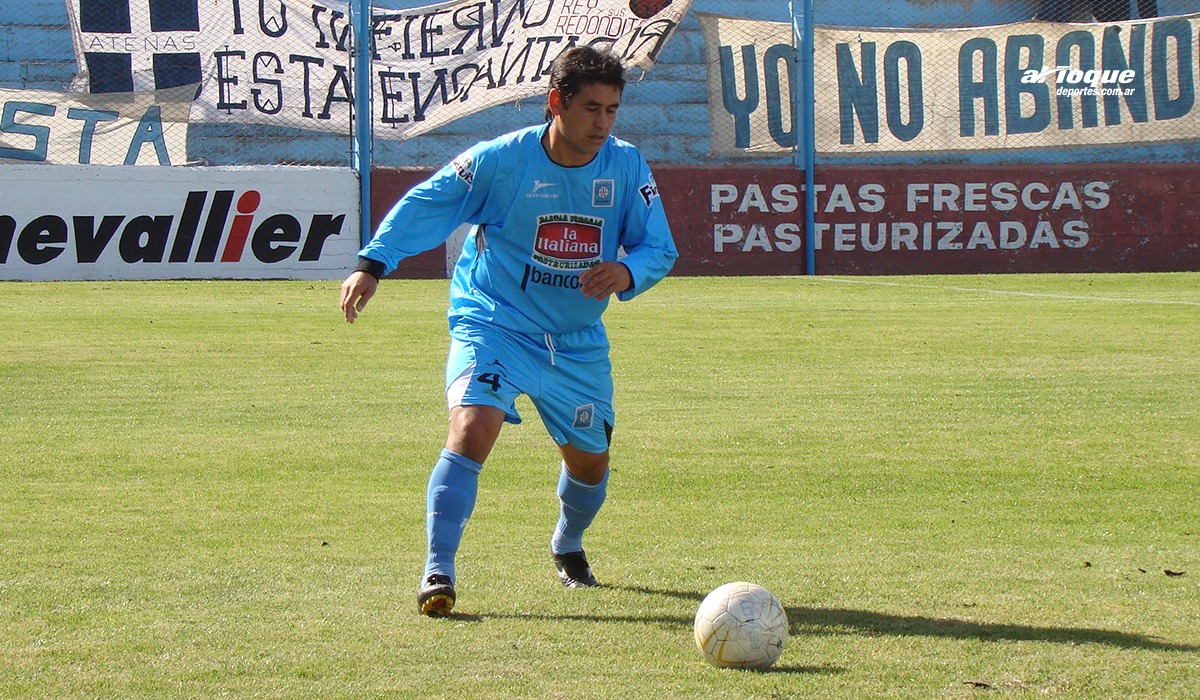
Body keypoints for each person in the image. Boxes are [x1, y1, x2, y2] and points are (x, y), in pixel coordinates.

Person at [339, 46, 678, 617]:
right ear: (556, 104)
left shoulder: (626, 166)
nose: (601, 123)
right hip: (494, 321)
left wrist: (626, 270)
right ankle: (437, 570)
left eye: (611, 110)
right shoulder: (501, 161)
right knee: (473, 428)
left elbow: (658, 247)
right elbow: (430, 203)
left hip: (574, 344)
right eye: (591, 108)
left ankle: (567, 543)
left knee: (590, 462)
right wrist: (373, 262)